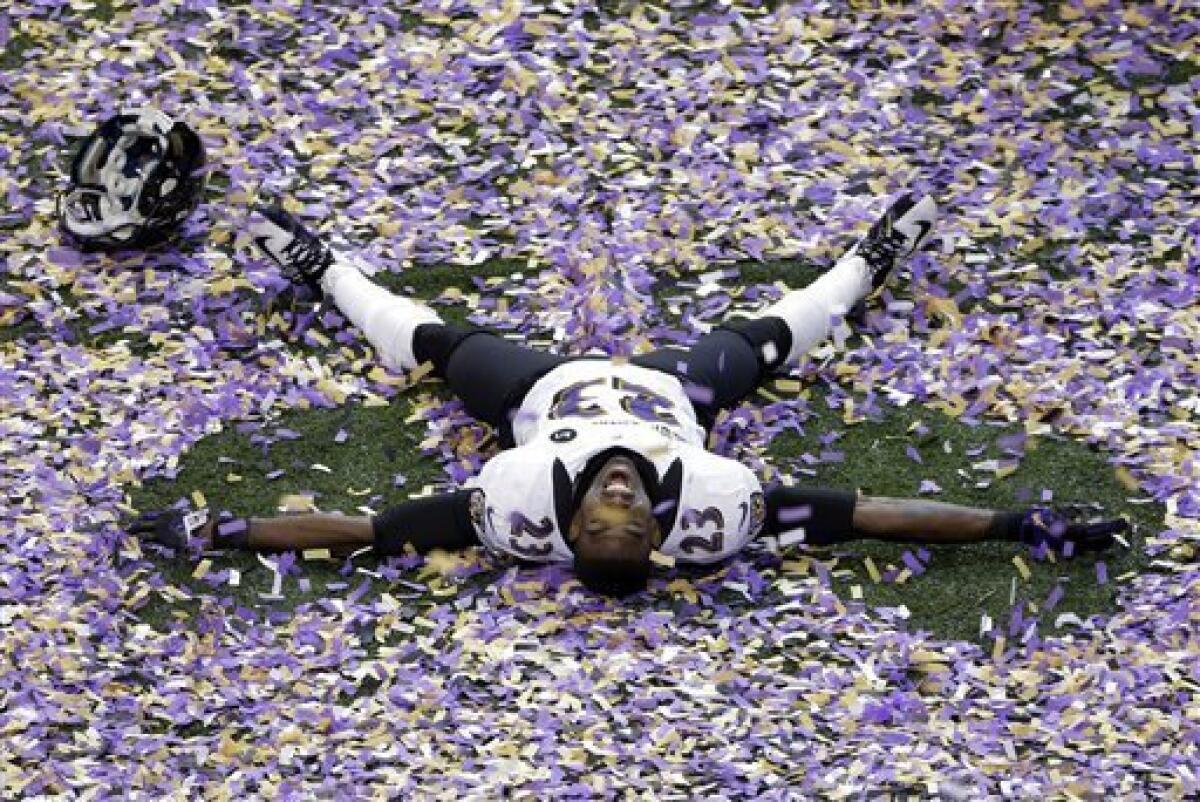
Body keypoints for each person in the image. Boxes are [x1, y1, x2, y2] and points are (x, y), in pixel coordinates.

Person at [132, 193, 1127, 595]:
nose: (614, 492)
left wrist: (222, 534)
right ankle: (872, 259)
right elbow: (872, 515)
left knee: (427, 338)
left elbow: (364, 526)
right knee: (782, 330)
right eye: (625, 509)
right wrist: (1018, 520)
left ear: (571, 527)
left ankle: (321, 267)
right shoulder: (715, 511)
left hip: (545, 394)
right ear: (655, 529)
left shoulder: (511, 509)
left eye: (599, 508)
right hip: (672, 394)